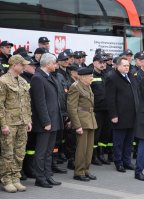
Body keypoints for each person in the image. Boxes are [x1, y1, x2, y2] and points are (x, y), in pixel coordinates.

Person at [31, 53, 63, 188]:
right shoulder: (38, 78)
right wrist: (46, 121)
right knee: (41, 152)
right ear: (48, 64)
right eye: (55, 63)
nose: (56, 65)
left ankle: (47, 175)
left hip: (54, 120)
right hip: (46, 122)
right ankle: (40, 177)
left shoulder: (50, 76)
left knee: (49, 151)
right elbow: (40, 103)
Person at [0, 55, 31, 193]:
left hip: (22, 122)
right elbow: (0, 105)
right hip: (9, 123)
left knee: (19, 152)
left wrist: (28, 120)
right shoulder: (3, 81)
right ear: (14, 65)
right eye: (22, 64)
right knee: (8, 153)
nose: (25, 66)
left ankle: (15, 178)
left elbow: (27, 103)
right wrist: (3, 124)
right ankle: (6, 180)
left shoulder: (23, 82)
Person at [105, 57, 139, 173]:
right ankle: (118, 162)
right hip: (120, 115)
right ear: (117, 66)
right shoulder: (112, 78)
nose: (127, 67)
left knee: (129, 141)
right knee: (119, 141)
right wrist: (113, 115)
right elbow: (110, 99)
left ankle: (127, 161)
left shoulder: (130, 76)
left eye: (128, 65)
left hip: (132, 115)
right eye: (124, 65)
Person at [67, 67, 98, 182]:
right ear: (84, 76)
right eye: (90, 76)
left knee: (89, 148)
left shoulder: (87, 85)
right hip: (81, 121)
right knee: (81, 148)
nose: (92, 78)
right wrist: (77, 125)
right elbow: (72, 108)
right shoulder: (75, 87)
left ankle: (86, 170)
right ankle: (79, 172)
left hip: (90, 119)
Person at [90, 55, 111, 166]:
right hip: (96, 110)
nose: (103, 64)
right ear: (94, 63)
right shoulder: (90, 76)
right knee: (96, 134)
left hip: (107, 109)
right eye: (100, 62)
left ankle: (101, 154)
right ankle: (94, 156)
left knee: (105, 133)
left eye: (104, 62)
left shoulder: (107, 75)